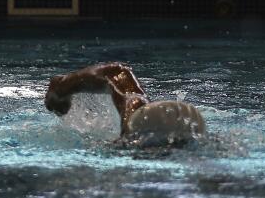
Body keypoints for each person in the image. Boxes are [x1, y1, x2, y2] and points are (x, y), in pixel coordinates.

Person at [45, 62, 205, 145]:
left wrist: (62, 86)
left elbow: (116, 72)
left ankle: (61, 87)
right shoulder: (204, 144)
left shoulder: (134, 121)